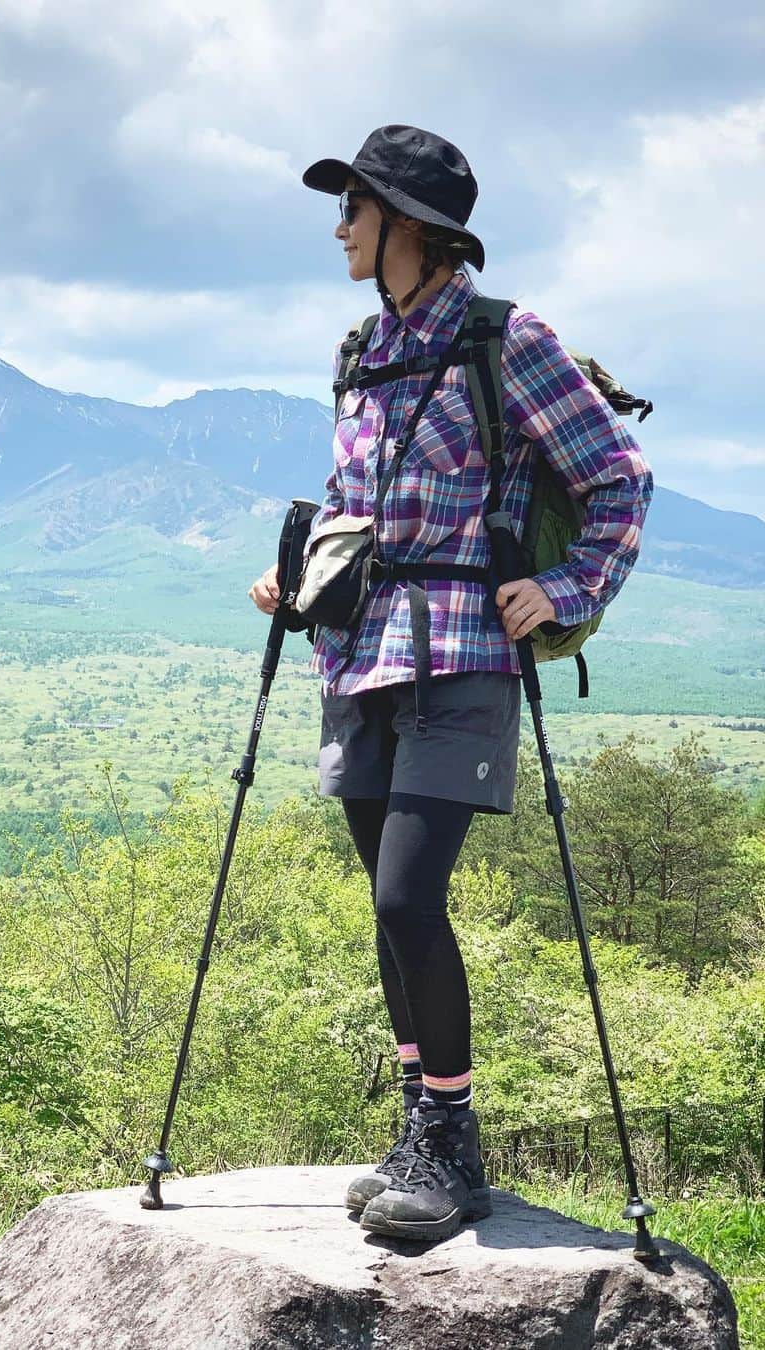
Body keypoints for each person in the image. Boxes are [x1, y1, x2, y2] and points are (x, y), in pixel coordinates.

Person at [248, 125, 652, 1242]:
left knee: (404, 897)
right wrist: (298, 571)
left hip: (465, 656)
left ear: (408, 226)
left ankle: (455, 1146)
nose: (339, 228)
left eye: (354, 209)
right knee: (387, 916)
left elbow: (620, 482)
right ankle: (422, 1121)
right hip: (359, 653)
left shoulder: (507, 339)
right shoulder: (359, 351)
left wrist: (567, 589)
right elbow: (356, 500)